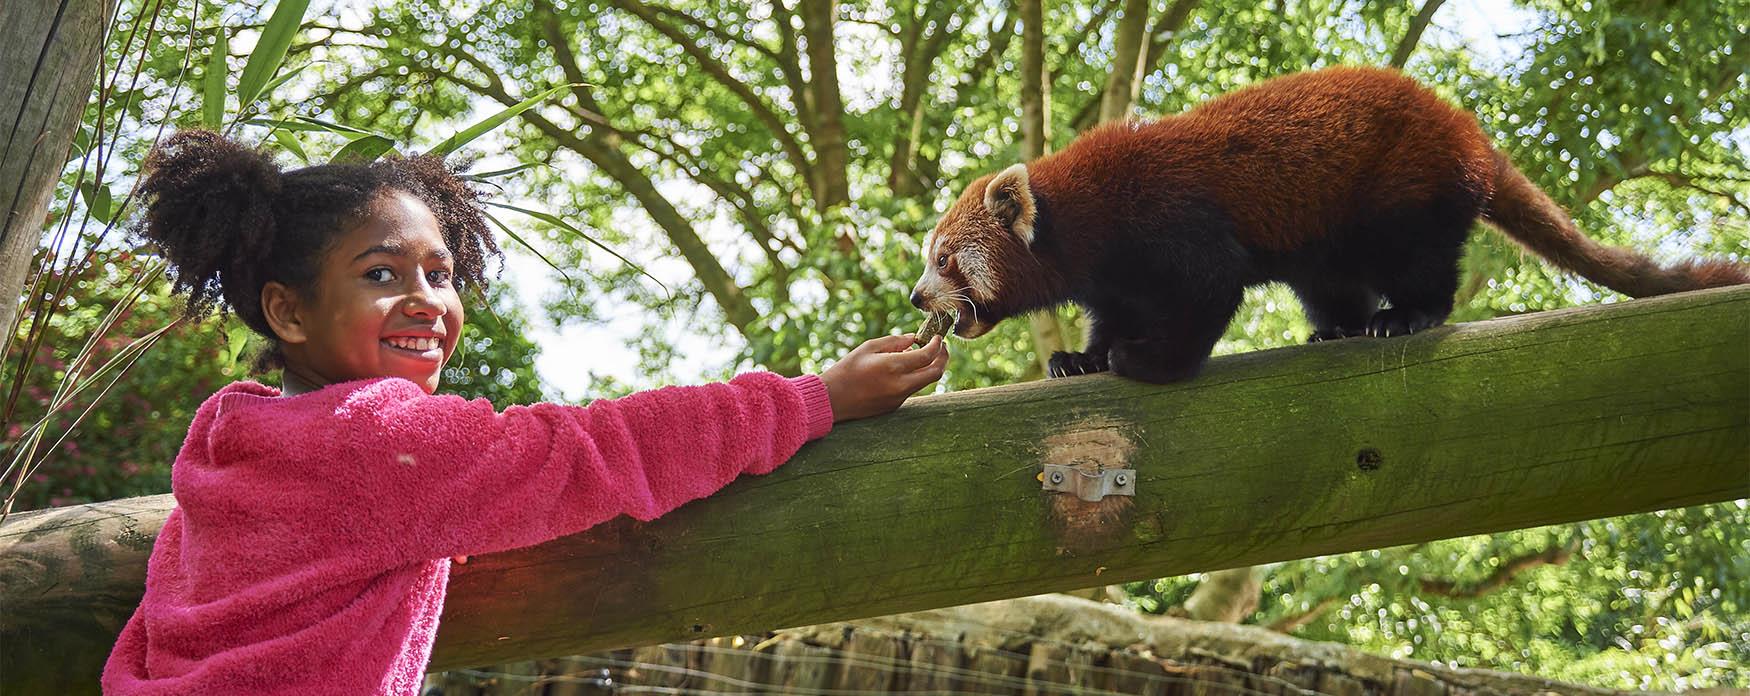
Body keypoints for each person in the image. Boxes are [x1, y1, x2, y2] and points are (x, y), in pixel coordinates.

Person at [100, 130, 949, 695]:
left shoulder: (233, 434)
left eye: (441, 273)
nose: (427, 299)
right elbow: (598, 449)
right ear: (288, 313)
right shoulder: (379, 436)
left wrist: (452, 515)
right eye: (381, 274)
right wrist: (814, 399)